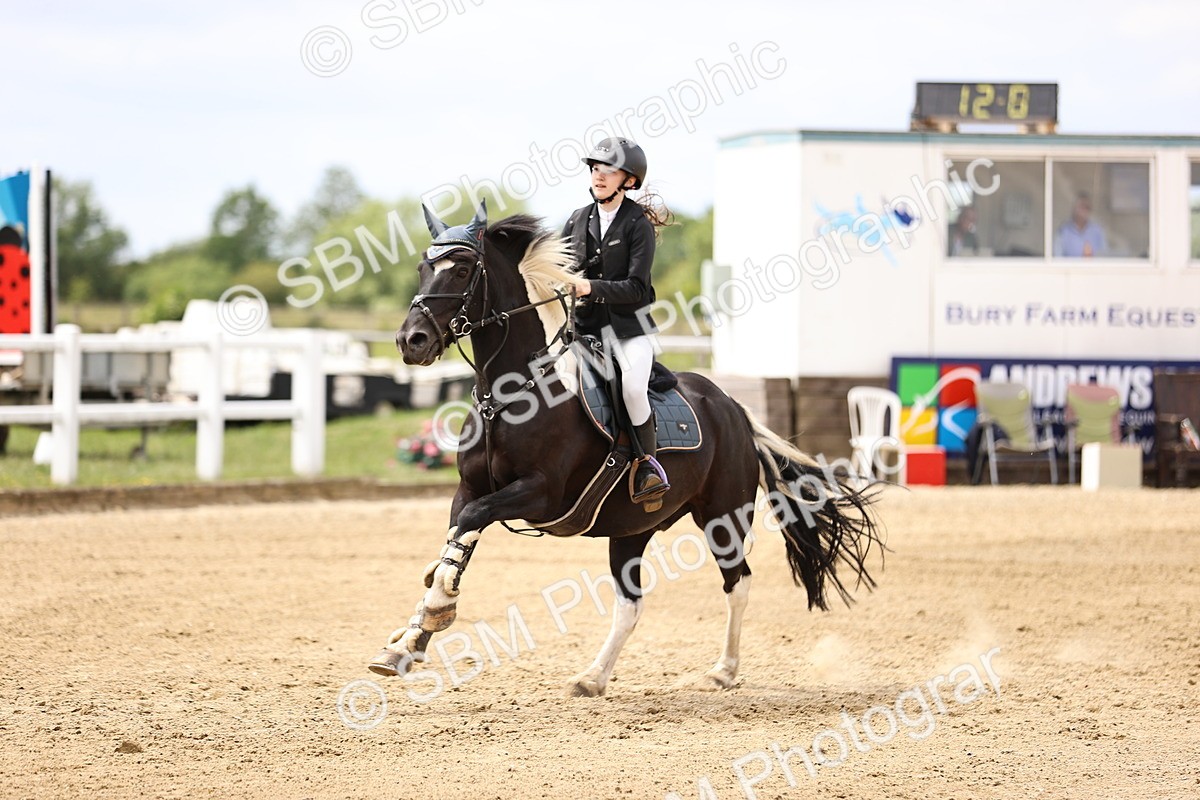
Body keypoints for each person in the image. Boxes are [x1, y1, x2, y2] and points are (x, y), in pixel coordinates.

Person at [561, 137, 672, 509]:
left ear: (628, 179)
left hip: (628, 331)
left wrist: (589, 287)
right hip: (582, 331)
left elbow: (637, 288)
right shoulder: (577, 220)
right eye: (595, 169)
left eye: (608, 170)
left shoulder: (637, 224)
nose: (599, 176)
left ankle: (646, 465)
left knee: (633, 390)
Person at [1055, 193, 1107, 257]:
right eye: (1081, 207)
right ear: (1074, 209)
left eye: (1087, 207)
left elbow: (1105, 256)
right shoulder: (1064, 231)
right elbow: (1057, 257)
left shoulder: (1097, 231)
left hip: (1093, 266)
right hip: (1069, 267)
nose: (1084, 210)